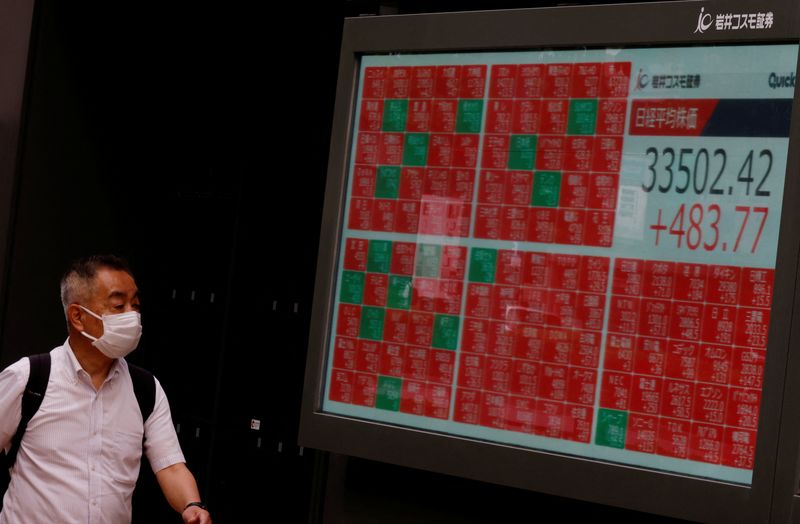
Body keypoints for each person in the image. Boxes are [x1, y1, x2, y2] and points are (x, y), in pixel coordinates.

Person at [0, 255, 212, 523]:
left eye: (135, 305)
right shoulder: (29, 379)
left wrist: (191, 505)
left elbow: (170, 466)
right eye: (118, 305)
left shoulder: (145, 389)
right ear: (78, 316)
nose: (132, 316)